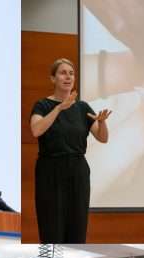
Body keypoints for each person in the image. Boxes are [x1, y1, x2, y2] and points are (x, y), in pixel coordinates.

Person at [30, 58, 111, 243]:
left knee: (77, 225)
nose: (68, 77)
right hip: (50, 170)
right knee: (52, 225)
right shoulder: (42, 105)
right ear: (53, 78)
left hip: (77, 170)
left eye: (71, 73)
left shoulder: (82, 107)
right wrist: (59, 108)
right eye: (63, 73)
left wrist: (102, 122)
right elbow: (36, 130)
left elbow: (103, 138)